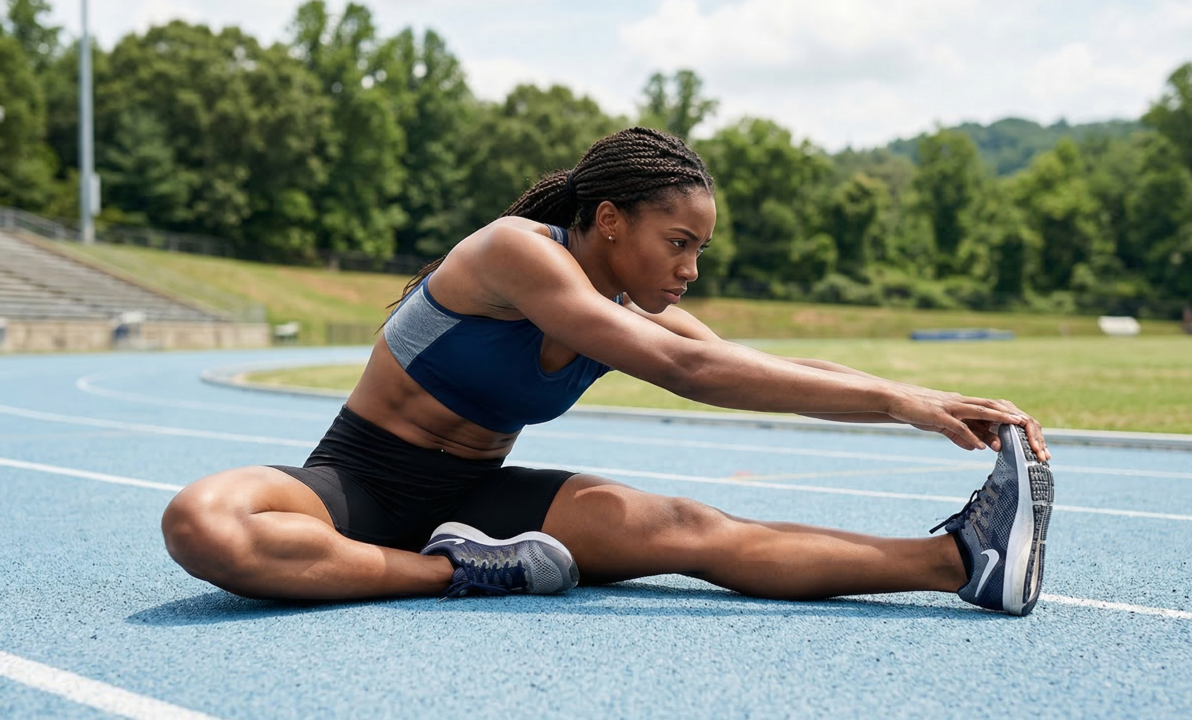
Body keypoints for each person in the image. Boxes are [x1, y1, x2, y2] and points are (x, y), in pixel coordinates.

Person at [162, 127, 1054, 616]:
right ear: (611, 219)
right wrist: (903, 402)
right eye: (678, 243)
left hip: (481, 499)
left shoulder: (627, 306)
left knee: (692, 529)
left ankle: (958, 561)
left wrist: (931, 401)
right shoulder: (514, 252)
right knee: (203, 523)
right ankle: (464, 572)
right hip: (356, 484)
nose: (689, 270)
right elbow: (686, 370)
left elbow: (747, 365)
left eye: (700, 250)